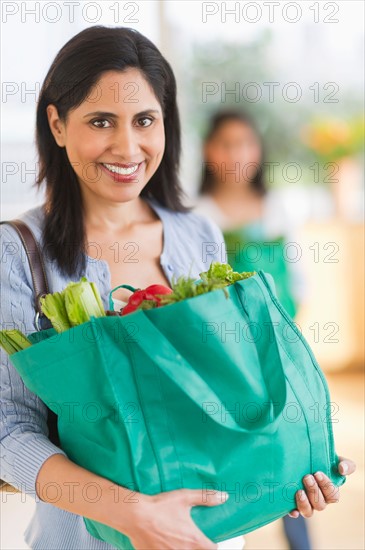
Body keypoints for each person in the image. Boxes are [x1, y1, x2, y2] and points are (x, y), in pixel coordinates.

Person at [0, 27, 356, 550]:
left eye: (145, 120)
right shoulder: (17, 253)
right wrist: (135, 514)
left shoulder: (198, 235)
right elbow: (8, 430)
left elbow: (230, 393)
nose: (128, 147)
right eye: (101, 122)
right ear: (56, 123)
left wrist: (292, 464)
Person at [194, 109, 355, 549]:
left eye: (245, 143)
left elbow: (296, 279)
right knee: (241, 454)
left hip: (279, 353)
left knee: (293, 451)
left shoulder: (278, 207)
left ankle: (301, 539)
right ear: (209, 151)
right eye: (226, 144)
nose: (237, 154)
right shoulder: (196, 216)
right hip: (223, 360)